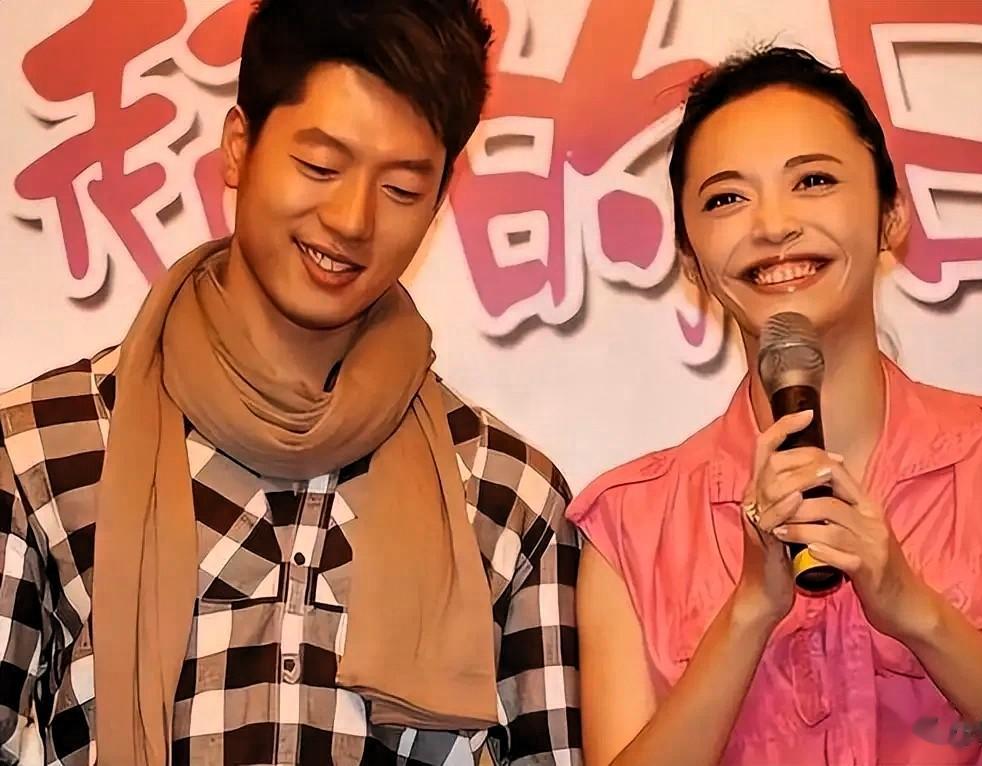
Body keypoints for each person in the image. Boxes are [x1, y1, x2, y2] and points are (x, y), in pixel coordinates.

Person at [0, 1, 582, 764]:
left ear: (440, 200)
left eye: (401, 189)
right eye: (320, 167)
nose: (351, 220)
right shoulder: (43, 450)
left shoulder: (508, 493)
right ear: (239, 147)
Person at [568, 46, 982, 766]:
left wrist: (918, 613)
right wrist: (749, 611)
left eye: (812, 181)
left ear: (891, 215)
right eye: (726, 198)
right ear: (689, 258)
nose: (773, 225)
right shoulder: (629, 526)